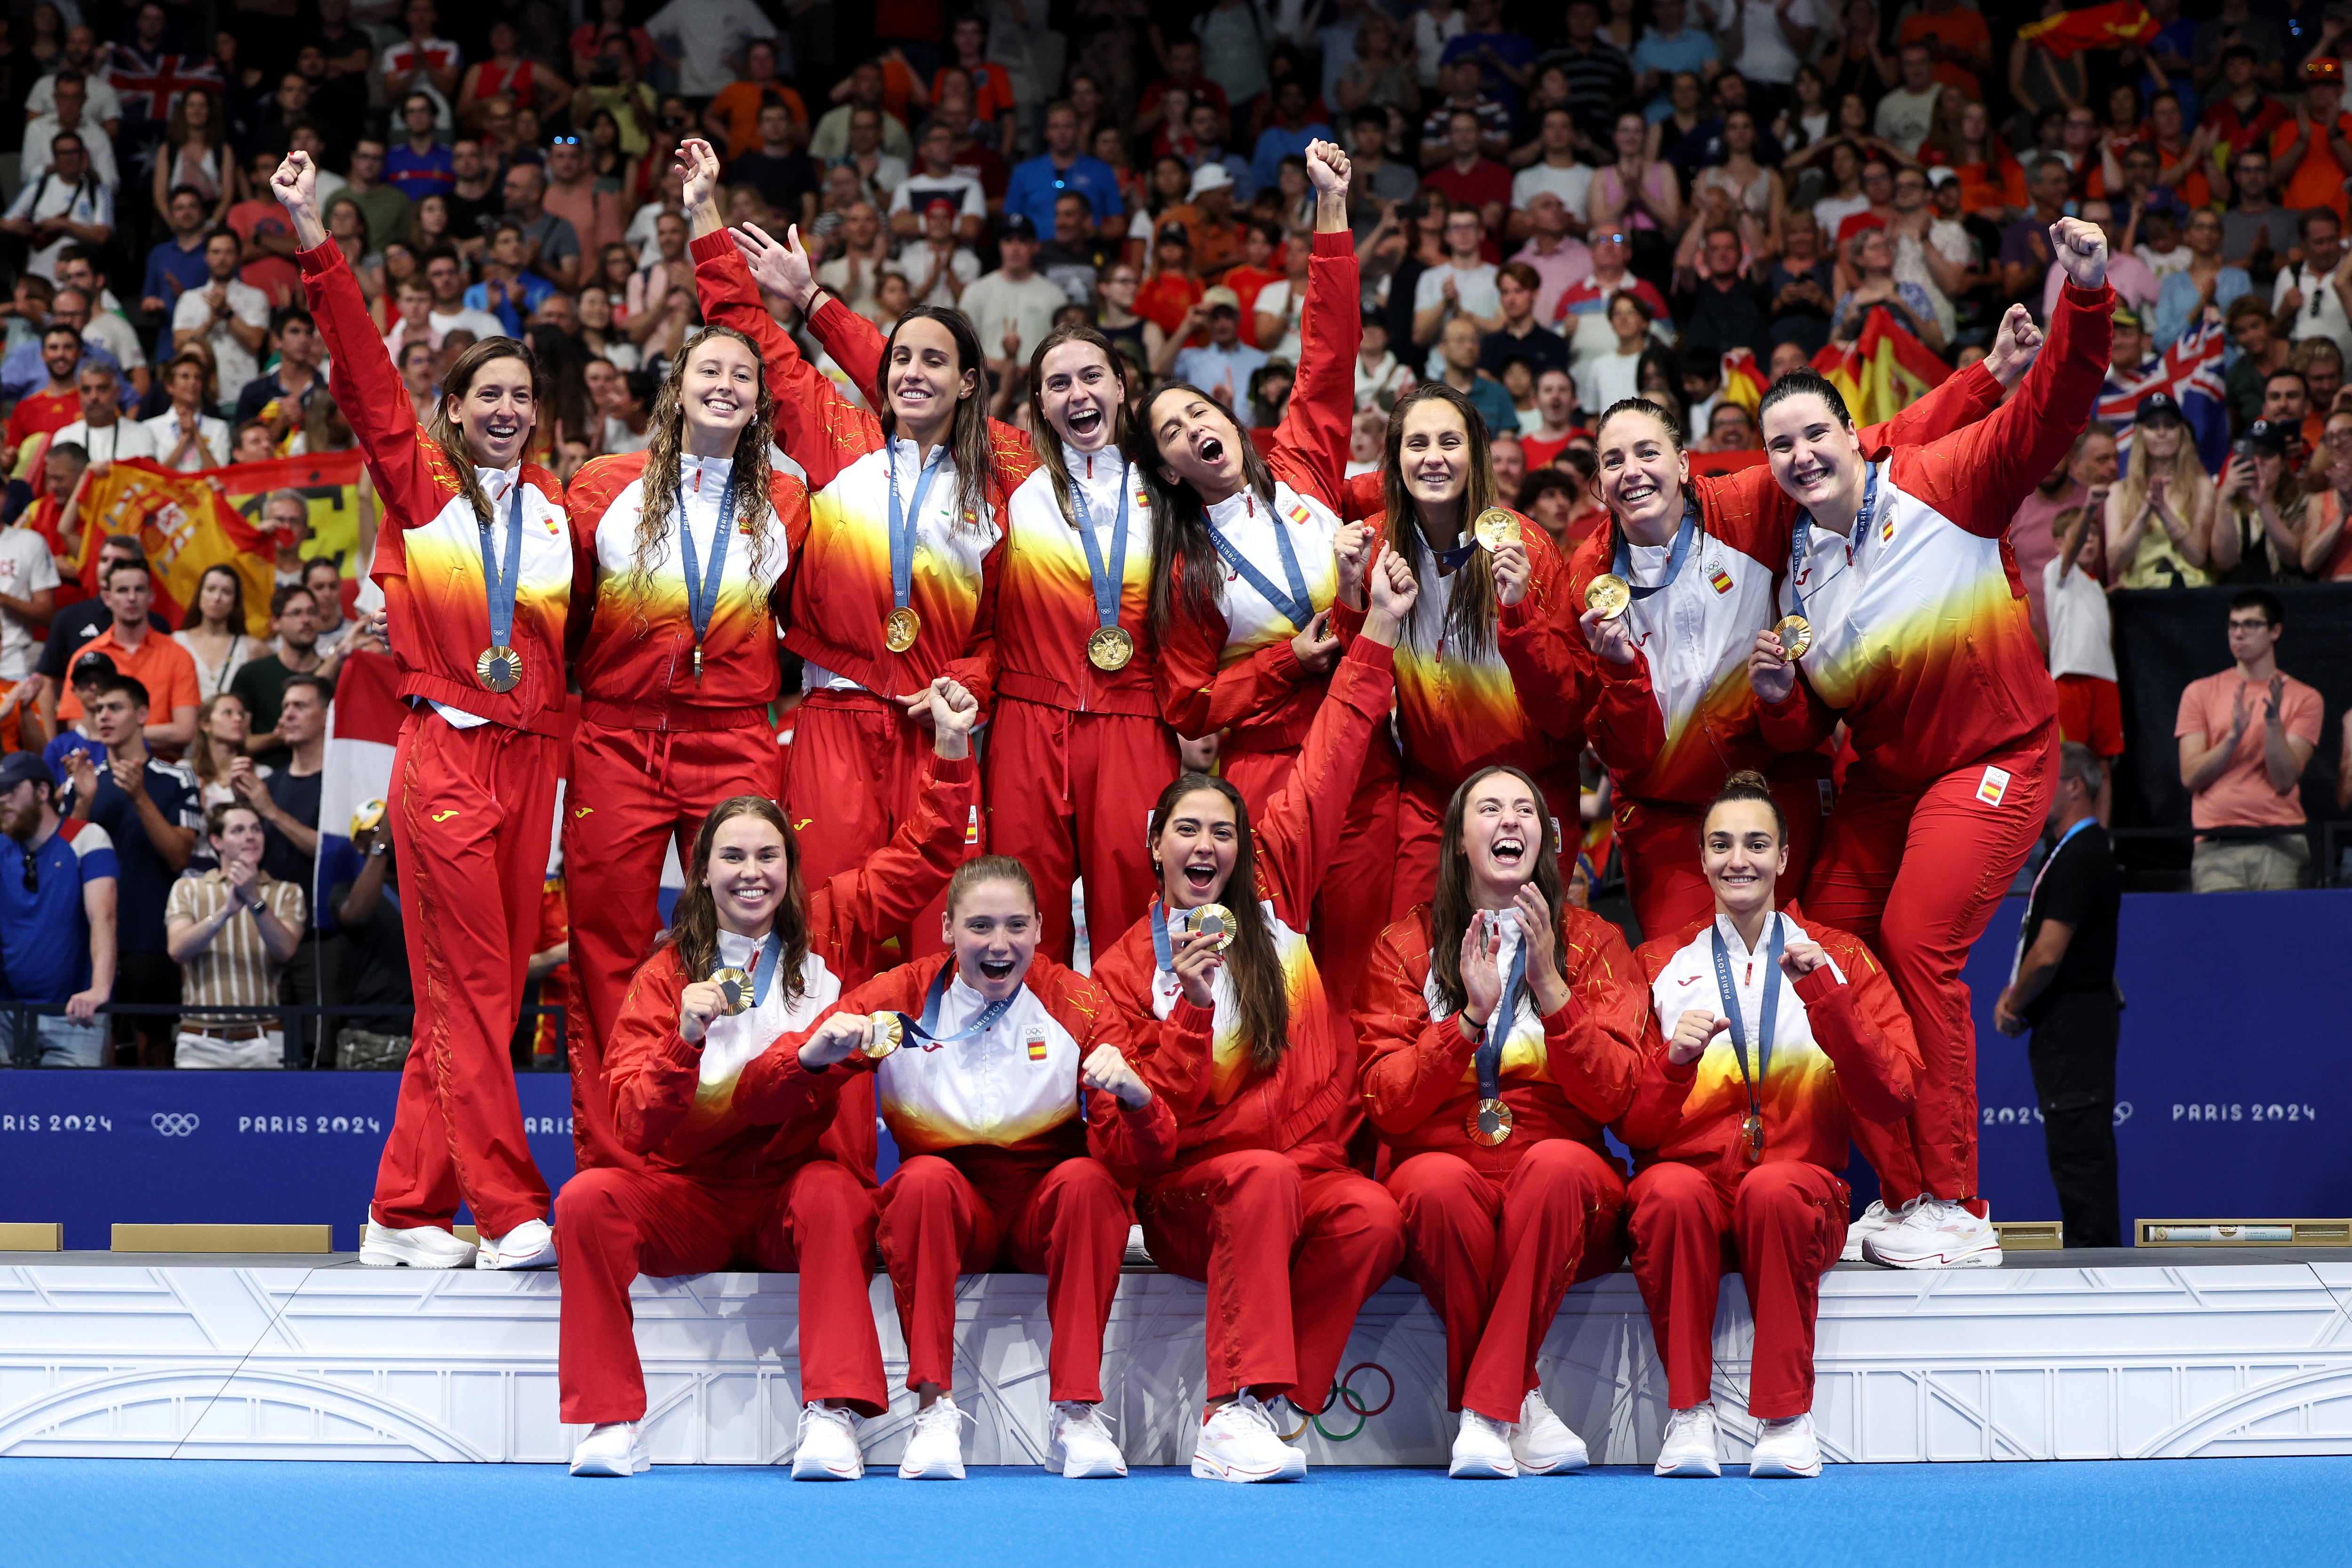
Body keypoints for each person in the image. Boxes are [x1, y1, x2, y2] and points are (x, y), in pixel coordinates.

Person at [1748, 218, 2114, 1269]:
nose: (1800, 457)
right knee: (1817, 945)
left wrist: (2080, 297)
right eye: (1780, 447)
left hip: (1995, 753)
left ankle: (1960, 1200)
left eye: (1814, 434)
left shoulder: (1941, 482)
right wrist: (1779, 697)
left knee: (1917, 942)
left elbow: (2050, 410)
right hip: (1888, 781)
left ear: (1851, 433)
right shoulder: (1801, 576)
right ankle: (1903, 1194)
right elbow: (1811, 722)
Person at [558, 685, 982, 1478]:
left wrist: (952, 752)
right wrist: (684, 1042)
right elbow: (634, 1125)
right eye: (734, 857)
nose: (752, 873)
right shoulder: (664, 977)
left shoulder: (838, 924)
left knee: (830, 1192)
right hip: (694, 1196)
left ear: (791, 864)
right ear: (702, 869)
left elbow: (926, 853)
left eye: (768, 856)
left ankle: (834, 1413)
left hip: (799, 1190)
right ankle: (611, 1420)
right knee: (585, 1200)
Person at [274, 149, 571, 1272]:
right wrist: (314, 236)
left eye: (519, 395)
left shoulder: (556, 512)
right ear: (452, 411)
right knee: (480, 987)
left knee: (473, 1002)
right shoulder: (423, 487)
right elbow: (358, 373)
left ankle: (400, 1212)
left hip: (534, 762)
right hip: (445, 755)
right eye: (484, 393)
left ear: (538, 417)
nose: (504, 407)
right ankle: (503, 1208)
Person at [1097, 554, 1414, 1483]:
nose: (1207, 845)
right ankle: (1227, 1409)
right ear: (1154, 845)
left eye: (1222, 832)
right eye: (1187, 830)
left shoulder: (1273, 892)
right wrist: (1190, 1013)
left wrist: (1382, 628)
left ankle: (1279, 1404)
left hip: (1304, 1176)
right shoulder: (1125, 969)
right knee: (1266, 1177)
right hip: (1196, 1200)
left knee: (1370, 1216)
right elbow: (1136, 1150)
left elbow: (1333, 756)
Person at [558, 143, 809, 1170]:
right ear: (677, 388)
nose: (726, 382)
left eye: (741, 374)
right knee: (608, 954)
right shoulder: (600, 486)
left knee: (749, 942)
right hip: (616, 737)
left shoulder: (788, 500)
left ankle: (735, 1150)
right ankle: (618, 1155)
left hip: (735, 741)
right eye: (708, 368)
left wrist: (708, 216)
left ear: (758, 400)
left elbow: (808, 622)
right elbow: (562, 620)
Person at [691, 141, 1004, 958]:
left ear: (968, 383)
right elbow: (752, 335)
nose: (911, 373)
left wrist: (959, 687)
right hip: (835, 717)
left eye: (934, 361)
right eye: (900, 358)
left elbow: (1005, 634)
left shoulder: (1000, 489)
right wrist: (704, 216)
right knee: (828, 933)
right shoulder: (841, 439)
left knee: (946, 944)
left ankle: (931, 1092)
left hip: (936, 730)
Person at [778, 856, 1178, 1481]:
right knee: (921, 1182)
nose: (999, 944)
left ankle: (1074, 1412)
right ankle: (933, 1408)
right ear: (947, 929)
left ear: (1042, 928)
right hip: (948, 1208)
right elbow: (797, 1074)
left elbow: (1149, 1155)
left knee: (1090, 1182)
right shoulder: (901, 996)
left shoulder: (1075, 1000)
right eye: (981, 925)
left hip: (1041, 1206)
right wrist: (816, 1058)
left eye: (1017, 925)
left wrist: (1137, 1099)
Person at [1137, 170, 1399, 1012]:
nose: (1191, 431)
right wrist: (1288, 660)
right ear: (1169, 471)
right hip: (1267, 776)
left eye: (1194, 413)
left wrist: (1330, 211)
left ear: (1222, 413)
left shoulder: (1303, 465)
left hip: (1363, 755)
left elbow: (1329, 350)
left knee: (1365, 968)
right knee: (1273, 976)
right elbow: (1187, 705)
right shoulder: (1186, 567)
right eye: (1170, 434)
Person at [1618, 771, 1919, 1480]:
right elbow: (1632, 1123)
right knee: (1664, 1189)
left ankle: (1785, 1417)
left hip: (1798, 1192)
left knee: (1775, 1190)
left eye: (1756, 843)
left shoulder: (1840, 959)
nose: (1738, 860)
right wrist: (1673, 1064)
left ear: (1785, 857)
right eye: (1721, 844)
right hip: (1696, 1194)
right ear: (1700, 858)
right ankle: (1689, 1415)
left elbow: (1895, 1094)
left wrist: (1830, 1002)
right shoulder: (1661, 965)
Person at [1354, 761, 1649, 1478]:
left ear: (1546, 841)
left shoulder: (1593, 942)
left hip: (1565, 1182)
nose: (1509, 820)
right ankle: (1520, 1401)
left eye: (1525, 809)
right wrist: (1467, 1021)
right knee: (1431, 1184)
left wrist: (1552, 987)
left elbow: (1619, 1097)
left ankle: (1484, 1412)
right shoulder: (1403, 944)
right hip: (1446, 1168)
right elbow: (1386, 1102)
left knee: (1555, 1167)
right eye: (1489, 808)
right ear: (1459, 838)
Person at [1333, 380, 1595, 918]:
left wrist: (1518, 612)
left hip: (1529, 794)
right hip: (1433, 800)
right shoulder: (1373, 546)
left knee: (1521, 963)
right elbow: (1349, 688)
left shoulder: (1528, 547)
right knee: (1413, 950)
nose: (1433, 458)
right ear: (1394, 459)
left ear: (1475, 455)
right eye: (1416, 443)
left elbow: (1566, 714)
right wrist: (1348, 596)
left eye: (1449, 443)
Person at [1994, 743, 2124, 1249]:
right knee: (2075, 1151)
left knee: (2079, 1154)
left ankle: (2097, 1273)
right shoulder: (2070, 852)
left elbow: (2047, 952)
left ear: (2074, 786)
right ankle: (2094, 1264)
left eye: (2046, 779)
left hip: (2074, 1025)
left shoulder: (2082, 851)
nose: (2034, 792)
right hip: (2070, 1023)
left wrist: (2012, 1000)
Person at [58, 673, 199, 1067]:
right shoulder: (82, 781)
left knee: (154, 1048)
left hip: (151, 934)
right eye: (98, 709)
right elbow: (62, 865)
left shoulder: (177, 778)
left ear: (142, 714)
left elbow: (180, 857)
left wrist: (139, 796)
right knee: (92, 1046)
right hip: (87, 936)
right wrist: (83, 803)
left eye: (114, 708)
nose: (103, 716)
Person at [2176, 589, 2321, 891]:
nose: (2239, 634)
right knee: (2220, 937)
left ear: (2275, 631)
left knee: (2279, 936)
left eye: (2251, 625)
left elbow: (2284, 780)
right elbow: (2190, 776)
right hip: (2216, 845)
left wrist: (2272, 723)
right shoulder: (2199, 693)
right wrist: (2232, 738)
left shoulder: (2305, 698)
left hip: (2280, 841)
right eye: (2233, 625)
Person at [164, 801, 306, 1068]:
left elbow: (286, 950)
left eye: (256, 829)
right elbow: (177, 948)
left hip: (264, 1039)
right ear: (217, 841)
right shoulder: (189, 889)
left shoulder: (287, 892)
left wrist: (255, 900)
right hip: (200, 1042)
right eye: (238, 830)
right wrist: (225, 913)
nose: (251, 836)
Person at [0, 749, 115, 1067]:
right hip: (6, 1012)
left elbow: (102, 917)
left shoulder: (86, 838)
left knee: (74, 1110)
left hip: (75, 1012)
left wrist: (100, 988)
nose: (2, 799)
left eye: (11, 790)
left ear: (42, 791)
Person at [53, 558, 199, 753]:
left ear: (151, 596)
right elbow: (80, 730)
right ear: (107, 598)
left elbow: (184, 732)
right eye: (122, 590)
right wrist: (136, 734)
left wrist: (116, 733)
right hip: (100, 768)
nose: (132, 598)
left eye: (139, 590)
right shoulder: (86, 656)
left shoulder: (178, 655)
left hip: (162, 768)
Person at [2046, 504, 2122, 820]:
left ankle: (2101, 839)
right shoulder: (2056, 572)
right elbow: (2072, 552)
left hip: (2105, 680)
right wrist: (2090, 507)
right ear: (2060, 542)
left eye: (2095, 535)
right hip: (2071, 677)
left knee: (2103, 765)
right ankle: (2063, 830)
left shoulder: (2095, 587)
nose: (2089, 541)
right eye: (2083, 535)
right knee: (2069, 761)